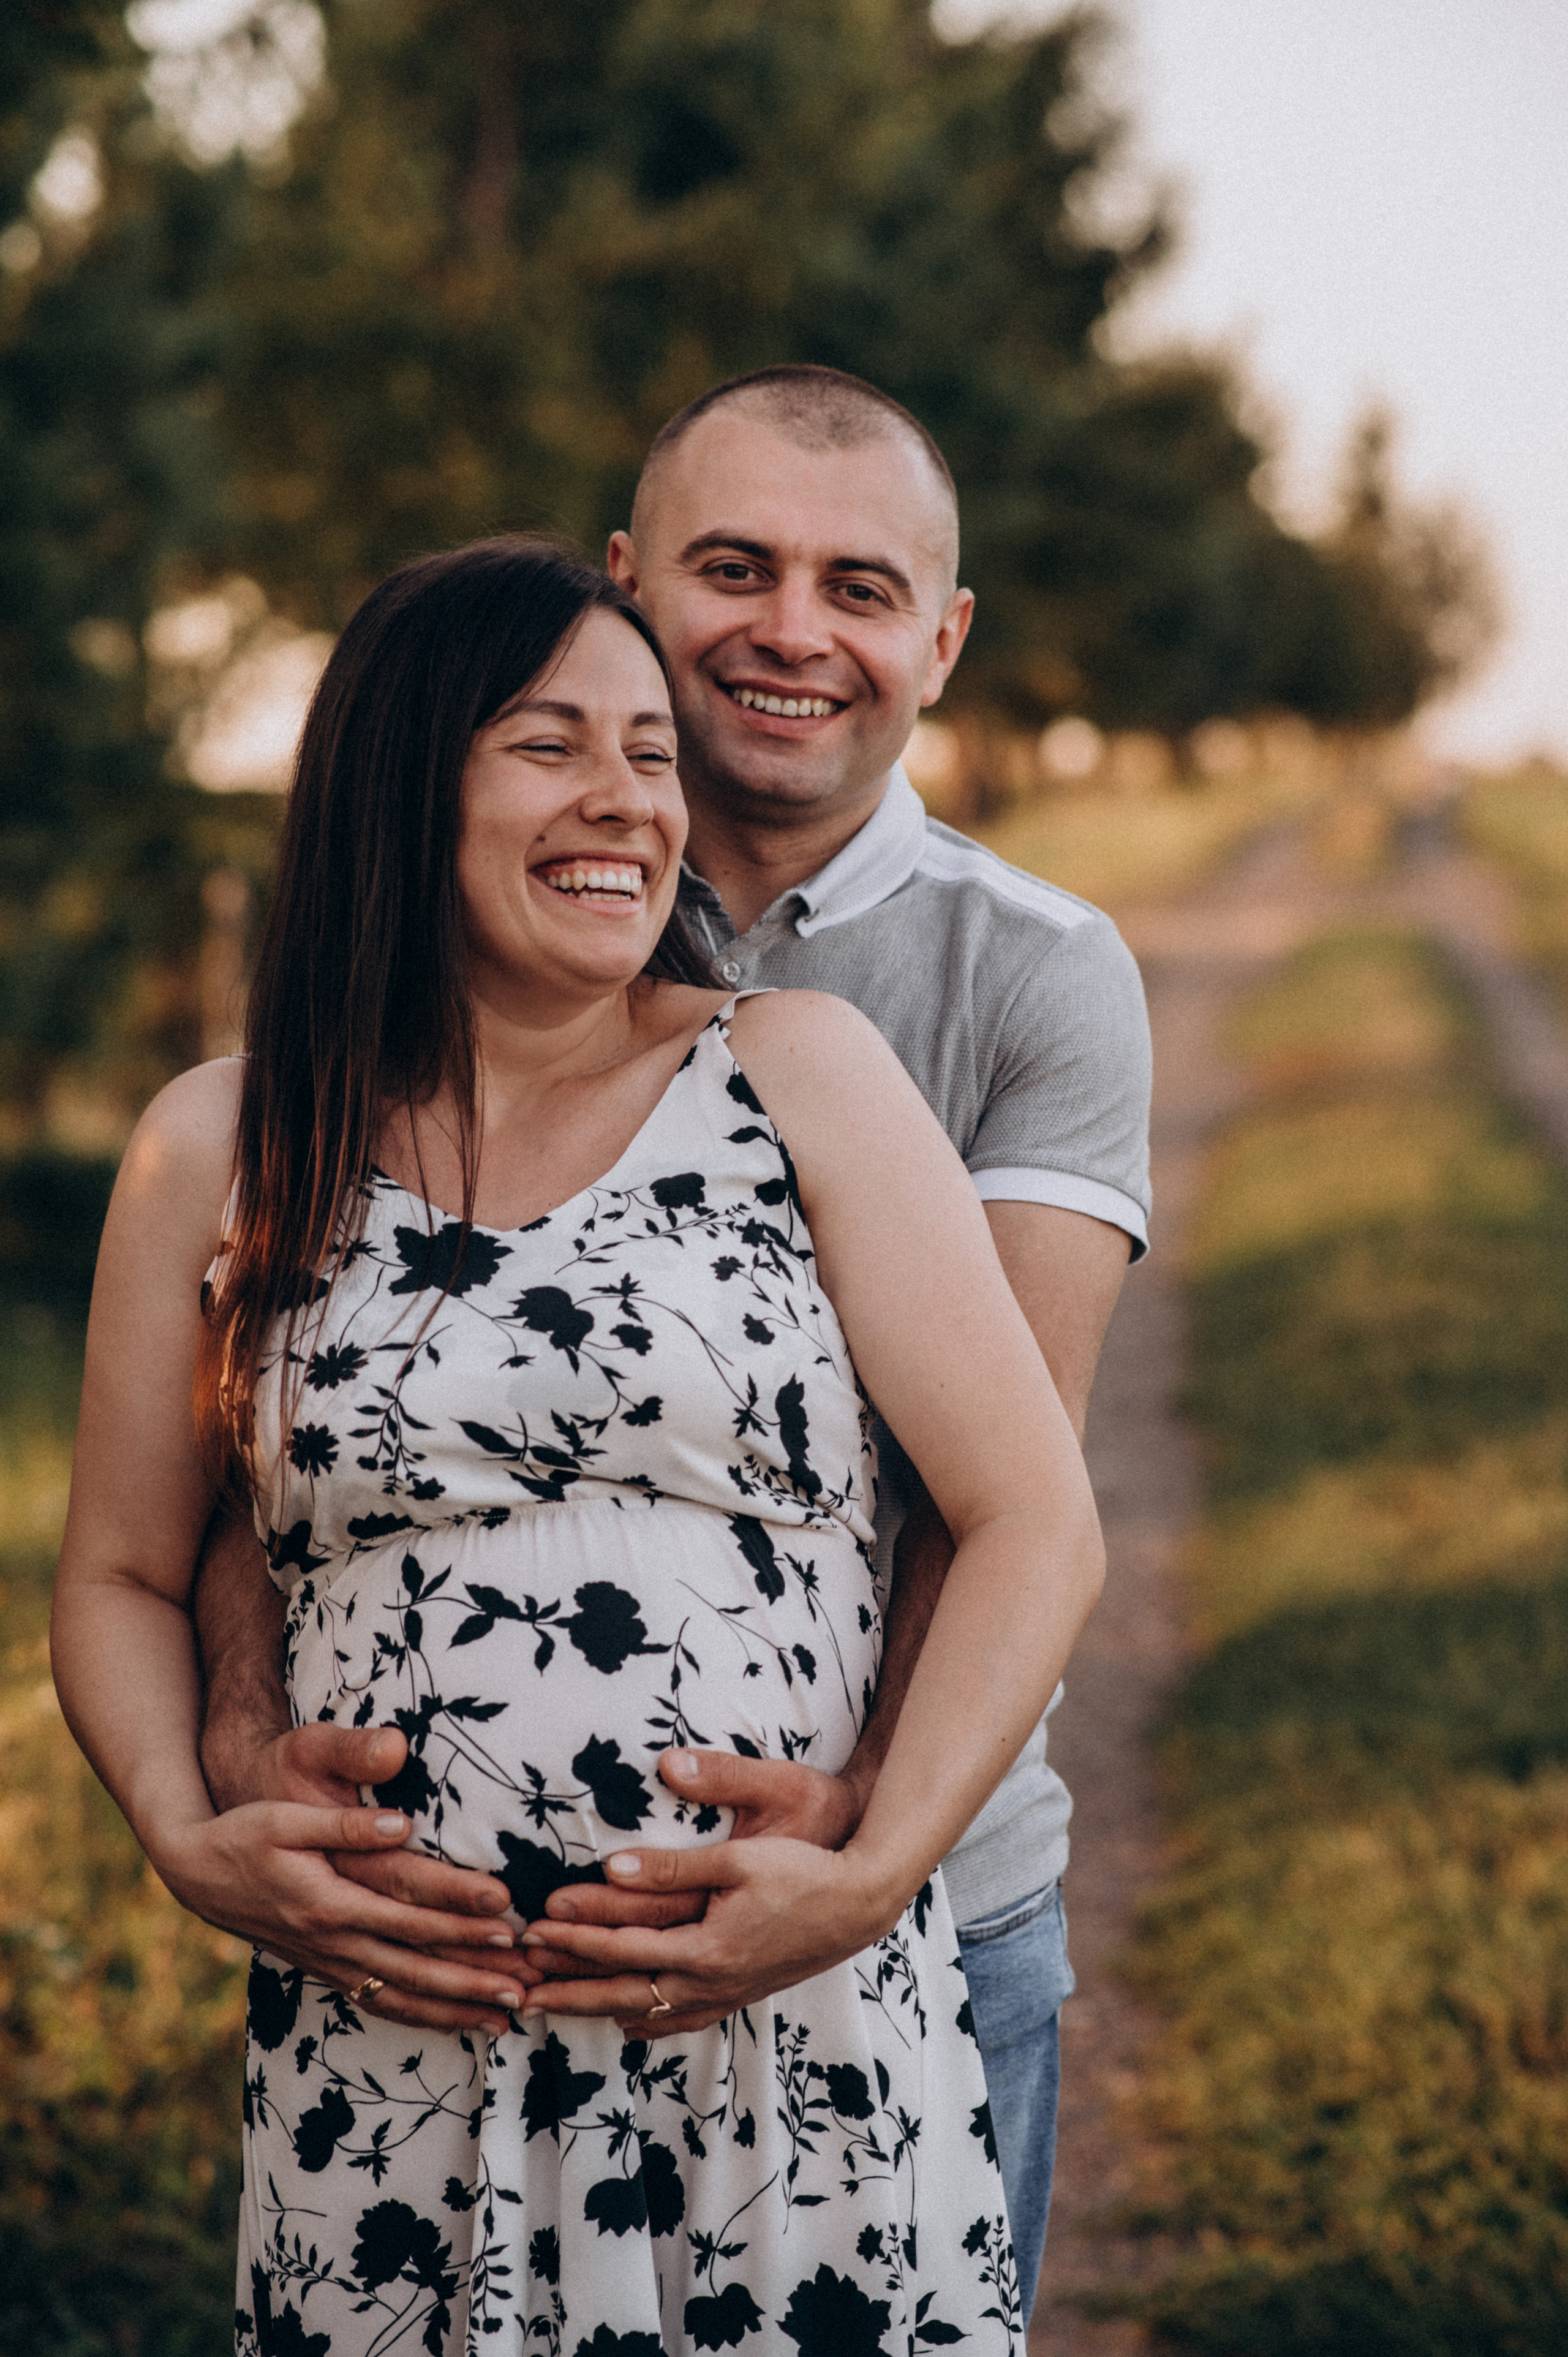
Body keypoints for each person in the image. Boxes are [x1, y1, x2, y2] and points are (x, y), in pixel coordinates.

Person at [50, 538, 1104, 2355]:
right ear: (403, 781)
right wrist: (179, 1827)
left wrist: (865, 1875)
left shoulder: (797, 1073)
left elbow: (1032, 1522)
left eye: (648, 751)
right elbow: (125, 1571)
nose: (626, 798)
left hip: (785, 2045)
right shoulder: (222, 1142)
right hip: (394, 2066)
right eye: (551, 746)